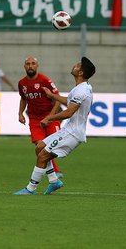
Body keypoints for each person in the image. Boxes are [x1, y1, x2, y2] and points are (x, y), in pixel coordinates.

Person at [14, 56, 96, 195]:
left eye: (77, 65)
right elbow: (68, 101)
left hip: (73, 133)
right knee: (40, 148)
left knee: (43, 156)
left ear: (81, 72)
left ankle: (31, 188)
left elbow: (69, 112)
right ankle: (53, 181)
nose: (74, 66)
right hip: (68, 130)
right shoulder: (80, 88)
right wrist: (52, 96)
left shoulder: (81, 90)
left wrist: (50, 118)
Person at [18, 56, 63, 178]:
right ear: (24, 66)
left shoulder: (44, 80)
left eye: (33, 64)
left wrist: (50, 116)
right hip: (34, 119)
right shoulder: (22, 83)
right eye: (28, 64)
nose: (30, 66)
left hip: (50, 118)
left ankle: (53, 174)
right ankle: (55, 173)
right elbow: (23, 98)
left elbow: (57, 98)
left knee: (52, 146)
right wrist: (20, 113)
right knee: (40, 147)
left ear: (37, 66)